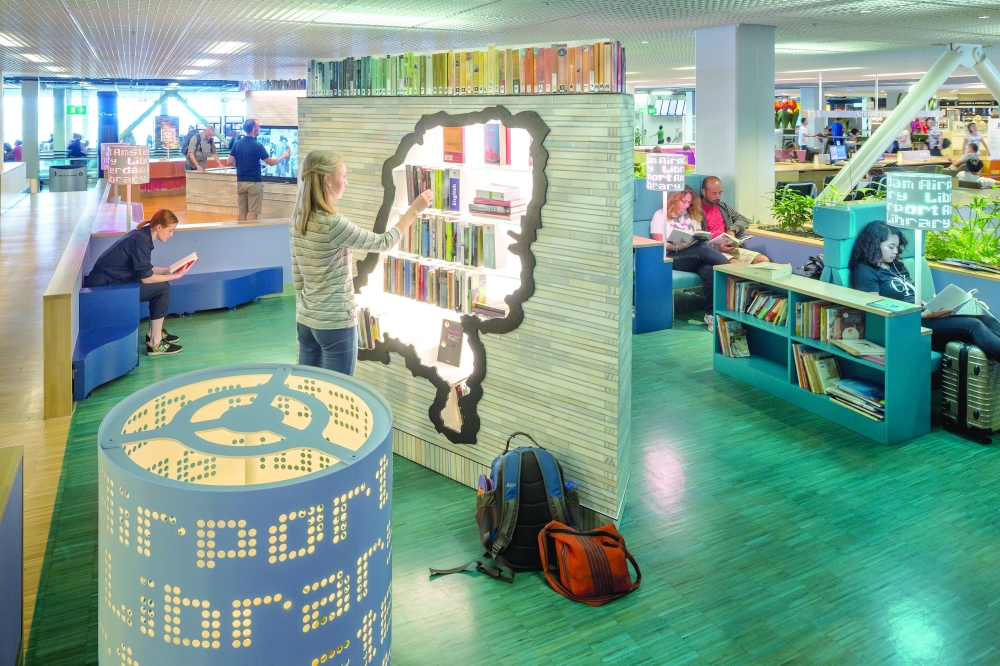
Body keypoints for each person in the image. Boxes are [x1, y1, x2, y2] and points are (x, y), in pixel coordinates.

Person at [289, 149, 434, 374]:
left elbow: (298, 278)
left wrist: (312, 309)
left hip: (306, 321)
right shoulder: (332, 224)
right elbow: (384, 242)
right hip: (335, 324)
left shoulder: (297, 219)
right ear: (328, 180)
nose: (346, 182)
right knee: (339, 396)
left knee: (310, 391)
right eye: (343, 176)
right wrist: (414, 210)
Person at [850, 221, 1000, 360]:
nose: (896, 251)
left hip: (923, 315)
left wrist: (937, 306)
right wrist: (923, 315)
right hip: (907, 324)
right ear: (874, 244)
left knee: (986, 319)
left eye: (897, 247)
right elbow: (875, 311)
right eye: (891, 247)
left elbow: (911, 295)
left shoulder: (896, 265)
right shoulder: (864, 271)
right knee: (973, 325)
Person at [84, 209, 190, 356]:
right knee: (162, 289)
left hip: (110, 281)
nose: (172, 234)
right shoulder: (140, 240)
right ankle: (155, 343)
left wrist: (169, 270)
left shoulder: (141, 235)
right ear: (159, 227)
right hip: (106, 287)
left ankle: (154, 333)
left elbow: (145, 269)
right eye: (170, 230)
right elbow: (146, 278)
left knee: (161, 286)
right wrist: (175, 277)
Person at [649, 186, 728, 331]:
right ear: (673, 200)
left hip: (694, 254)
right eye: (684, 201)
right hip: (672, 255)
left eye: (689, 202)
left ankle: (710, 315)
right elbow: (659, 244)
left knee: (709, 270)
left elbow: (699, 236)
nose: (687, 205)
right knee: (702, 249)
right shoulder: (660, 215)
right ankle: (732, 269)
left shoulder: (691, 216)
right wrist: (677, 246)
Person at [228, 118, 291, 221]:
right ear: (253, 129)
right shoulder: (258, 146)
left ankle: (240, 235)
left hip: (240, 182)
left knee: (242, 212)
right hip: (254, 182)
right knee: (253, 212)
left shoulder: (237, 144)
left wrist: (242, 165)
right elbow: (271, 163)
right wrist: (284, 156)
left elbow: (229, 162)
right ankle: (251, 236)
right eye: (259, 127)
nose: (260, 128)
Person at [699, 176, 771, 265]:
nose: (718, 197)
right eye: (714, 193)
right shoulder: (696, 210)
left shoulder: (722, 207)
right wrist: (718, 247)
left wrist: (732, 230)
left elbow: (743, 220)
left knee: (763, 260)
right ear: (703, 192)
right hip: (712, 251)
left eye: (720, 193)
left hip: (729, 247)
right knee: (738, 265)